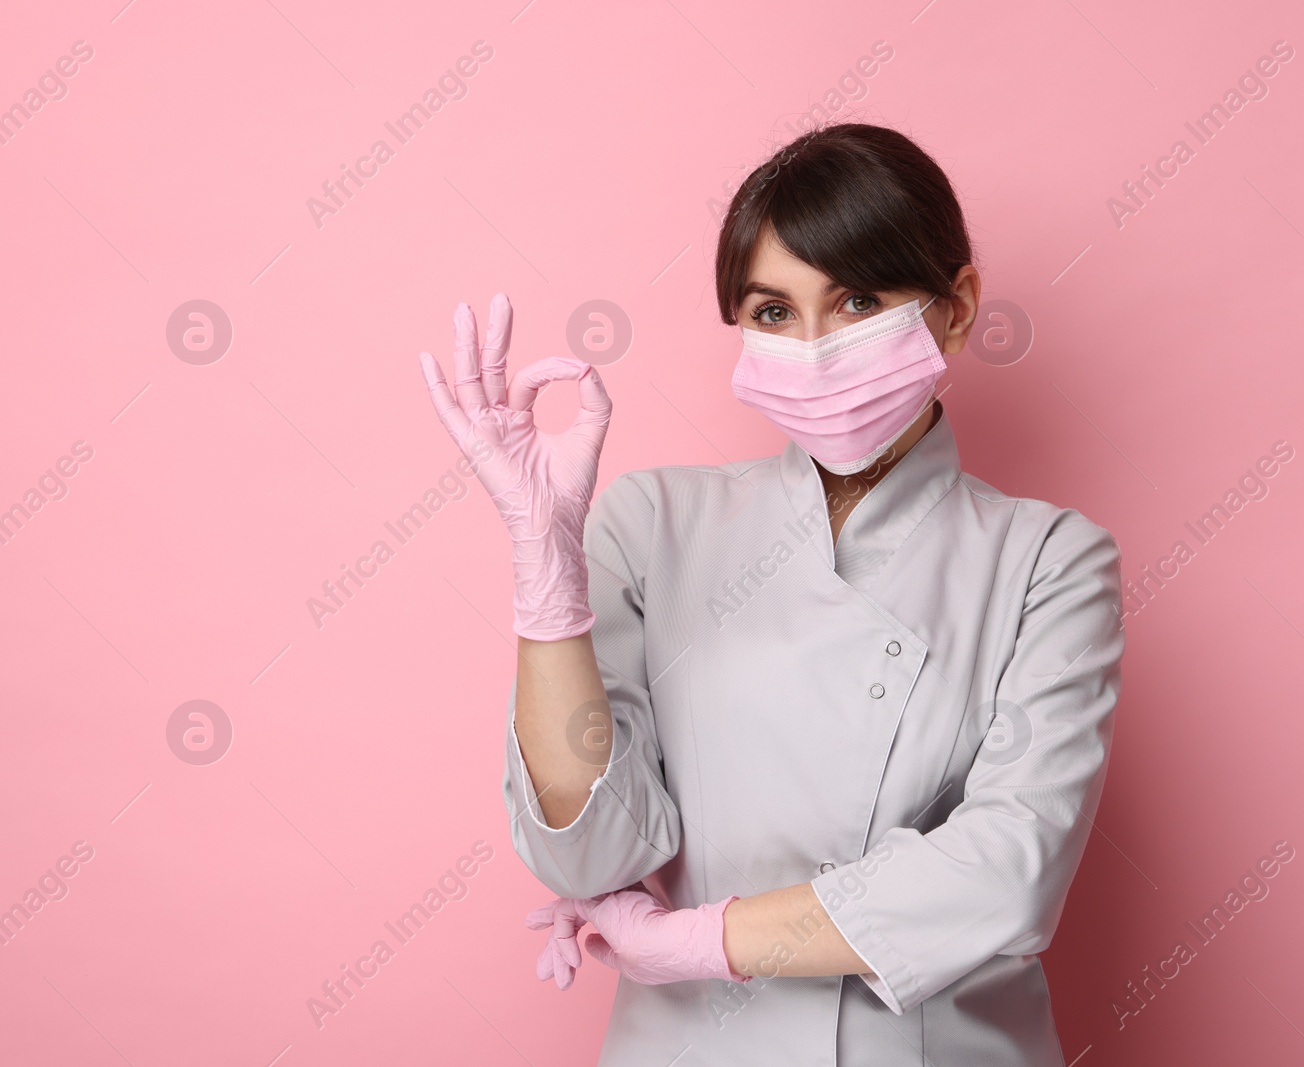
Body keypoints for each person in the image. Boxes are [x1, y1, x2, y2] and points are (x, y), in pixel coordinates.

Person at [419, 122, 1124, 1066]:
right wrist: (545, 576)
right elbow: (586, 855)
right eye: (775, 312)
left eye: (859, 299)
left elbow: (1007, 873)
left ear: (955, 308)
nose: (818, 349)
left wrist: (699, 940)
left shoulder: (1049, 560)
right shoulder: (653, 522)